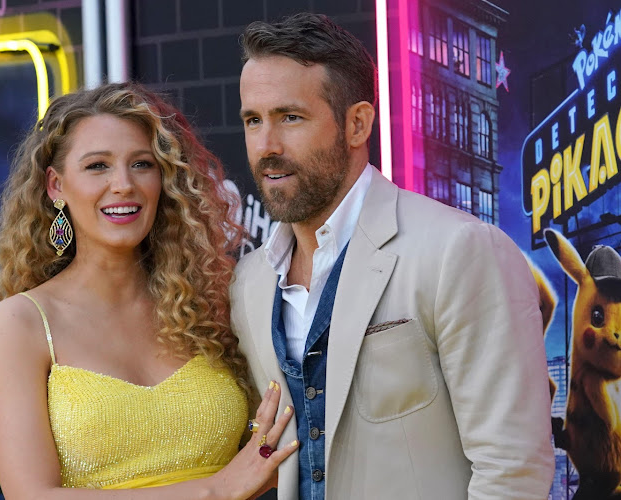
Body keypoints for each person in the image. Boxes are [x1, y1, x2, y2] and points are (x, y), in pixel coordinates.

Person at [231, 12, 555, 499]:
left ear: (357, 123)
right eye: (253, 121)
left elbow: (513, 469)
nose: (266, 146)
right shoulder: (249, 283)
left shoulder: (458, 250)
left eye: (290, 117)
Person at [0, 82, 297, 499]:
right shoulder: (20, 323)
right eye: (97, 166)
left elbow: (271, 452)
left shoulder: (214, 303)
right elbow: (32, 495)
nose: (123, 184)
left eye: (142, 164)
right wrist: (215, 490)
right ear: (56, 185)